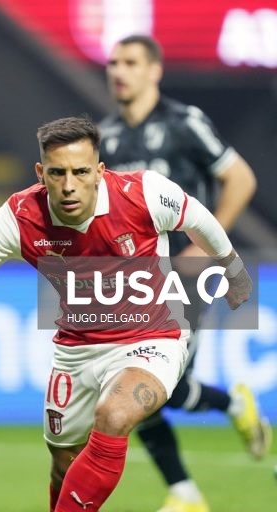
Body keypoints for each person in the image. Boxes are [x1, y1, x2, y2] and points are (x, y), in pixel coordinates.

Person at [0, 116, 252, 512]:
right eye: (57, 173)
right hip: (77, 351)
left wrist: (232, 270)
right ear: (41, 172)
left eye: (80, 171)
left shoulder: (144, 193)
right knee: (63, 465)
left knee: (115, 414)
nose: (70, 186)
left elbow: (200, 220)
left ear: (100, 170)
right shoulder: (21, 216)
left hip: (153, 338)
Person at [100, 34, 270, 512]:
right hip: (137, 280)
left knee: (165, 387)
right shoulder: (107, 139)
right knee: (128, 382)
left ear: (154, 71)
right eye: (113, 62)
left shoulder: (184, 123)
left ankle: (233, 408)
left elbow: (240, 178)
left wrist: (204, 247)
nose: (118, 71)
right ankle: (184, 491)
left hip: (188, 274)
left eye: (130, 62)